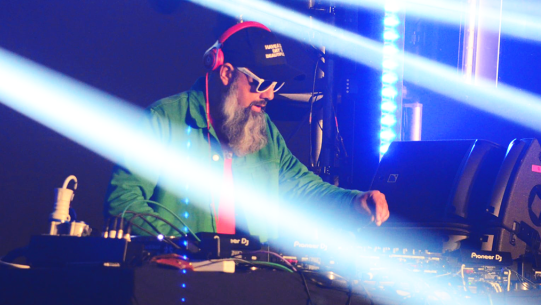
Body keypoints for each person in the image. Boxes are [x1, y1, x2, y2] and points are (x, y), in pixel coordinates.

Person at [104, 21, 389, 242]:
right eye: (261, 82)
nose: (269, 95)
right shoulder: (164, 120)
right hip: (179, 284)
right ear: (226, 73)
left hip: (249, 287)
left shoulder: (265, 134)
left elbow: (304, 188)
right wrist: (181, 246)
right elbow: (124, 202)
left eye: (275, 85)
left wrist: (353, 202)